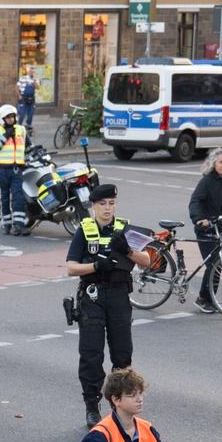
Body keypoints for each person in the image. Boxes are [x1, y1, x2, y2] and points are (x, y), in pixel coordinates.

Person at [65, 184, 137, 429]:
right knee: (91, 354)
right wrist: (96, 266)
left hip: (118, 296)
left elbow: (149, 261)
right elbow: (71, 267)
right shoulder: (84, 230)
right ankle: (92, 406)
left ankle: (120, 406)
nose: (108, 208)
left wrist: (127, 250)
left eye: (111, 203)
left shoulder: (124, 228)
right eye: (102, 204)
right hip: (93, 297)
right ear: (93, 206)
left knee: (122, 354)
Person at [187, 148, 222, 312]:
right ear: (213, 164)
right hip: (205, 227)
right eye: (221, 162)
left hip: (220, 227)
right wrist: (199, 220)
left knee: (219, 264)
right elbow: (194, 202)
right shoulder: (206, 181)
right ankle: (203, 298)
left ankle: (211, 299)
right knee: (213, 264)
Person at [0, 104, 30, 236]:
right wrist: (6, 135)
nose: (11, 119)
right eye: (8, 117)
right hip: (2, 170)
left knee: (19, 197)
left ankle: (19, 225)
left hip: (17, 169)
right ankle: (6, 224)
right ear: (2, 118)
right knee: (4, 198)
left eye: (12, 117)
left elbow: (28, 146)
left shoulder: (21, 130)